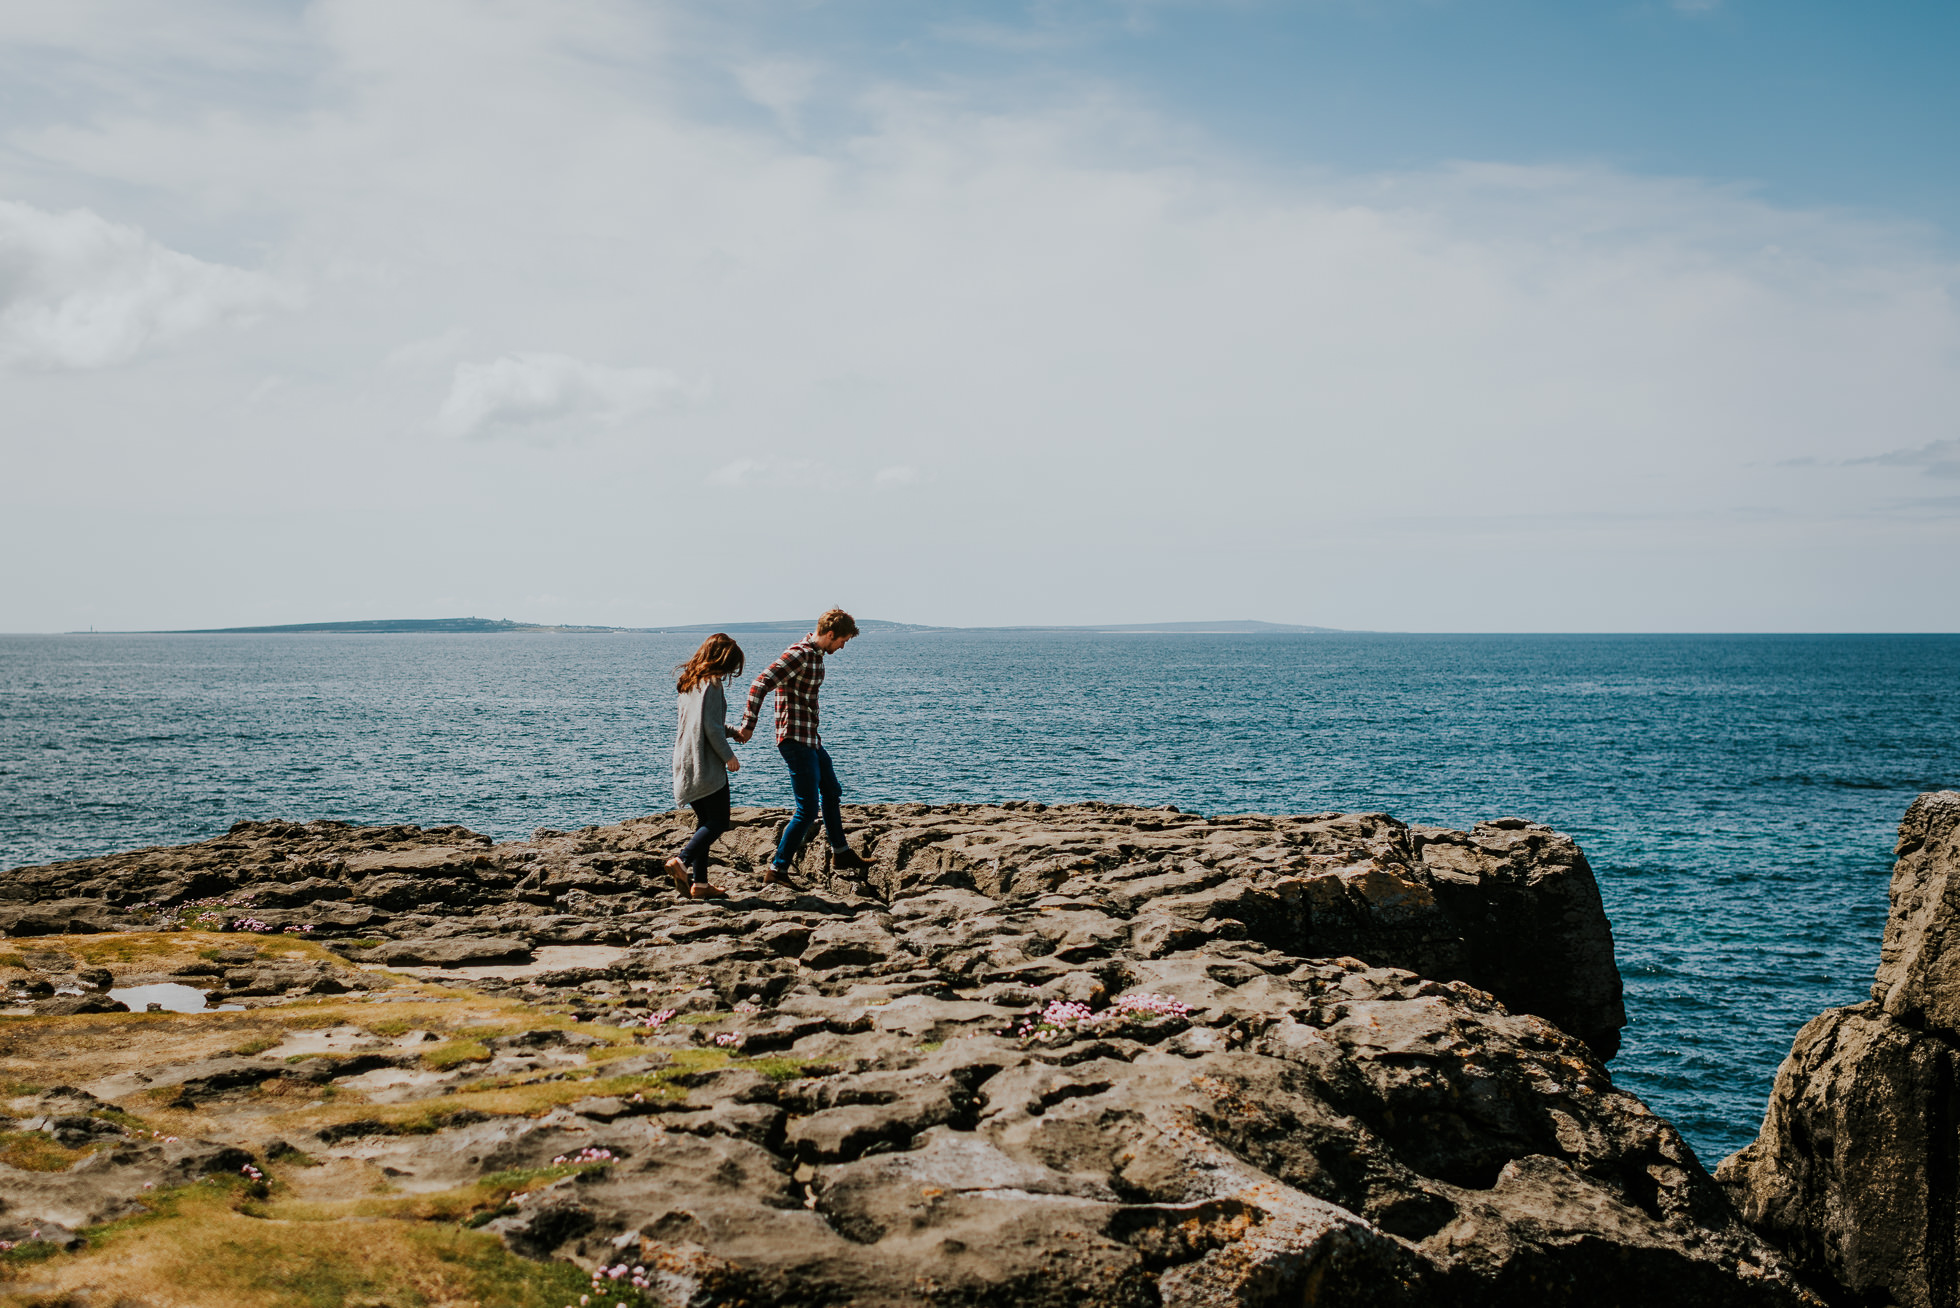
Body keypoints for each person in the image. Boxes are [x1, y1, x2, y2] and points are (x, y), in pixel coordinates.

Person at [733, 608, 872, 883]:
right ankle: (777, 869)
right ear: (830, 634)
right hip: (795, 740)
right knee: (807, 809)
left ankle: (841, 852)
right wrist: (748, 725)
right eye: (842, 640)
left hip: (810, 738)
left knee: (831, 791)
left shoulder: (816, 655)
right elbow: (760, 683)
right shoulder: (800, 653)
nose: (843, 646)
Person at [666, 633, 745, 898]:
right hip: (705, 764)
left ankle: (700, 884)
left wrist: (734, 731)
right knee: (720, 821)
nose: (730, 673)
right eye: (731, 666)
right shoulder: (712, 684)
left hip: (685, 761)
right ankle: (682, 861)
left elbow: (703, 724)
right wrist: (728, 756)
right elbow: (710, 729)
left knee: (705, 821)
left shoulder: (690, 682)